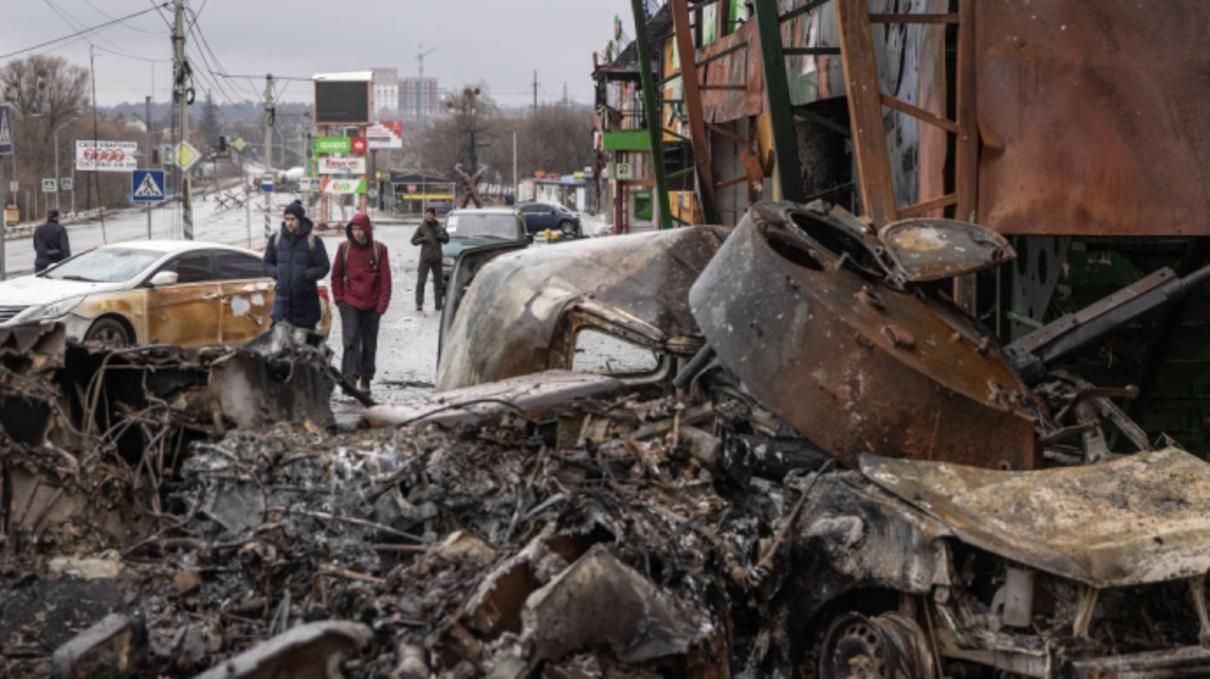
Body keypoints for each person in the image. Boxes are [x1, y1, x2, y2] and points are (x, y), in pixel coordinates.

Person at [331, 212, 391, 393]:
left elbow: (386, 280)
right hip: (349, 303)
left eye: (360, 229)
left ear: (367, 230)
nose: (357, 233)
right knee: (350, 340)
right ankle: (350, 379)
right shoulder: (344, 249)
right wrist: (339, 300)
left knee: (369, 343)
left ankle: (366, 378)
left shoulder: (379, 250)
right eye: (354, 229)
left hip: (372, 305)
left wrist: (382, 306)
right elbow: (336, 276)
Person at [263, 201, 330, 331]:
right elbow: (267, 262)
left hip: (306, 303)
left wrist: (306, 275)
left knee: (303, 346)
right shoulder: (276, 239)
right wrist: (277, 272)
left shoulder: (313, 241)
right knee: (280, 345)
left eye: (293, 219)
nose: (289, 222)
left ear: (300, 219)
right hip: (282, 303)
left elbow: (324, 266)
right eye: (287, 219)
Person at [411, 206, 449, 311]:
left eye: (430, 214)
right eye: (426, 214)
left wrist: (442, 237)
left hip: (436, 258)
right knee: (421, 282)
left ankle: (438, 305)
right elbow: (413, 241)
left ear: (433, 215)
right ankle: (419, 304)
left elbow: (447, 239)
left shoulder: (439, 226)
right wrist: (423, 239)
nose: (428, 216)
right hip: (425, 259)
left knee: (438, 282)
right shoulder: (422, 227)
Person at [33, 209, 71, 273]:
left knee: (40, 282)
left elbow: (36, 246)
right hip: (56, 263)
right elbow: (65, 249)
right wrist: (68, 263)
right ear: (57, 217)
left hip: (41, 263)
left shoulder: (39, 229)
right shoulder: (60, 229)